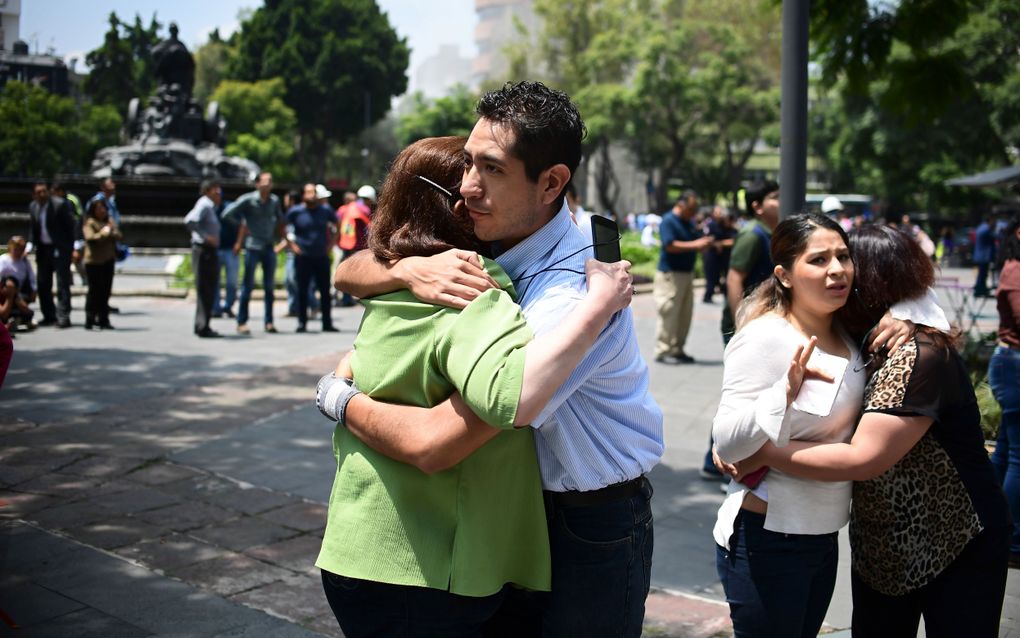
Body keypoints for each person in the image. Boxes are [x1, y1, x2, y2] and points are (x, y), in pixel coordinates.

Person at [327, 81, 662, 637]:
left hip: (590, 519)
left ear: (552, 182)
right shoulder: (499, 239)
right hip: (522, 508)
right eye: (467, 167)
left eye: (492, 170)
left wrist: (340, 400)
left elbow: (494, 413)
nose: (466, 189)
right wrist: (404, 269)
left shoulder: (575, 289)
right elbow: (350, 269)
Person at [732, 224, 1010, 636]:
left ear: (872, 278)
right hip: (885, 546)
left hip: (955, 537)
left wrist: (762, 450)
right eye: (825, 260)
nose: (838, 272)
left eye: (847, 261)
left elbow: (863, 458)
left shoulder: (919, 353)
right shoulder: (863, 336)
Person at [653, 190, 714, 364]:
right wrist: (696, 245)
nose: (694, 213)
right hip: (670, 274)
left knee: (684, 314)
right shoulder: (668, 220)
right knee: (669, 311)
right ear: (681, 204)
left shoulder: (688, 222)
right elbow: (669, 245)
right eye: (692, 208)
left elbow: (693, 240)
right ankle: (663, 350)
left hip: (686, 274)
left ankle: (677, 349)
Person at [222, 171, 286, 335]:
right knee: (247, 286)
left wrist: (283, 238)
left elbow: (280, 220)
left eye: (270, 181)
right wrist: (243, 226)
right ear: (257, 184)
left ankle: (269, 322)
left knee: (269, 287)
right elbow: (227, 213)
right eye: (265, 181)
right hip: (253, 247)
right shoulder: (248, 200)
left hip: (268, 246)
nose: (268, 184)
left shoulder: (274, 201)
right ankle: (242, 322)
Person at [990, 216, 1020, 567]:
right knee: (1016, 457)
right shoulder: (1015, 269)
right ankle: (1010, 542)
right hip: (1013, 365)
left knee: (1008, 452)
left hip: (1010, 363)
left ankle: (991, 525)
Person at [286, 183, 338, 333]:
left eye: (313, 192)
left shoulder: (325, 211)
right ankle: (302, 322)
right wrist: (292, 245)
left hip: (321, 255)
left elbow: (337, 224)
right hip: (303, 257)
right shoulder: (296, 212)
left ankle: (327, 322)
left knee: (324, 291)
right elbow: (282, 226)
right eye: (308, 192)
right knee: (302, 290)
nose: (312, 195)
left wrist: (331, 244)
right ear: (303, 195)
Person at [27, 182, 76, 328]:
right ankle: (49, 315)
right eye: (38, 192)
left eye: (44, 191)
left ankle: (63, 317)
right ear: (34, 195)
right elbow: (33, 229)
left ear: (48, 192)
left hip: (60, 249)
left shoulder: (59, 205)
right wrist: (30, 244)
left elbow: (71, 226)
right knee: (43, 284)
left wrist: (72, 248)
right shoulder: (33, 207)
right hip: (43, 249)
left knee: (62, 284)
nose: (42, 194)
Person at [184, 180, 222, 338]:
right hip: (203, 251)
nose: (219, 193)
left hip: (208, 251)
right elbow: (190, 221)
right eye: (216, 190)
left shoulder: (210, 206)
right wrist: (206, 237)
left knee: (208, 288)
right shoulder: (204, 204)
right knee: (204, 287)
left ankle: (203, 324)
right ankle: (202, 326)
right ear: (208, 190)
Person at [81, 195, 122, 330]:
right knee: (94, 291)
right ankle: (90, 318)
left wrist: (112, 230)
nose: (102, 211)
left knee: (105, 291)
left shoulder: (109, 221)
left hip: (108, 260)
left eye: (103, 208)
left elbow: (119, 235)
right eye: (99, 209)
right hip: (93, 261)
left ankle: (104, 319)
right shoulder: (90, 222)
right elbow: (90, 238)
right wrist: (104, 233)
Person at [335, 185, 375, 307]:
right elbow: (368, 229)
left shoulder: (346, 208)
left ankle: (346, 297)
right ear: (368, 198)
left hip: (346, 245)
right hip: (358, 247)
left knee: (347, 272)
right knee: (363, 273)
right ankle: (363, 296)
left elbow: (338, 223)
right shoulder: (364, 210)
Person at [0, 236, 38, 330]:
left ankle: (19, 319)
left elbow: (32, 278)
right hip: (5, 290)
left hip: (20, 292)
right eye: (16, 249)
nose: (18, 252)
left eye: (21, 250)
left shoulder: (24, 261)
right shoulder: (3, 260)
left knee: (26, 311)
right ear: (10, 248)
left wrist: (34, 290)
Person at [213, 193, 240, 318]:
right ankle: (216, 308)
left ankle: (228, 306)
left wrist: (239, 243)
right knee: (215, 280)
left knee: (232, 281)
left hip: (231, 249)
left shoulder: (230, 207)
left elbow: (242, 224)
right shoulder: (209, 208)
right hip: (215, 249)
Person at [703, 205, 737, 303]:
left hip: (725, 256)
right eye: (718, 212)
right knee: (711, 277)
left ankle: (728, 296)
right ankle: (708, 295)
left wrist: (721, 243)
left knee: (727, 277)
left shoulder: (727, 224)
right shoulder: (711, 225)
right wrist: (715, 244)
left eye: (721, 212)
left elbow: (734, 239)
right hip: (712, 256)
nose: (720, 214)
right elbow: (707, 239)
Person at [974, 215, 996, 297]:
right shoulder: (986, 229)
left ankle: (979, 288)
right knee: (983, 274)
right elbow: (994, 237)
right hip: (984, 256)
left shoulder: (980, 227)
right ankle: (980, 290)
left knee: (981, 273)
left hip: (980, 255)